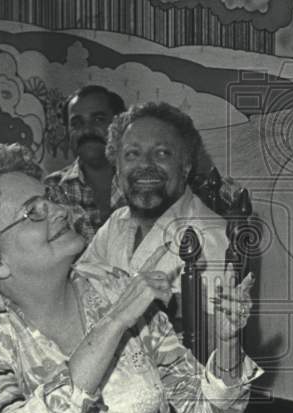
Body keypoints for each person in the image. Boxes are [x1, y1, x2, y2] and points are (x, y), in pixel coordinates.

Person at [0, 143, 259, 413]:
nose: (59, 210)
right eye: (33, 212)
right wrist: (113, 324)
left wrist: (228, 345)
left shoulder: (112, 288)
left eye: (50, 199)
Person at [78, 102, 230, 310]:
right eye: (132, 154)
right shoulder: (117, 222)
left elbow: (211, 336)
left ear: (185, 165)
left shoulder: (210, 238)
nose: (145, 165)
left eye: (161, 153)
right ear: (117, 167)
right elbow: (77, 289)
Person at [44, 85, 126, 240]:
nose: (87, 130)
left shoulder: (143, 182)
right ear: (67, 132)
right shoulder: (52, 190)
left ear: (120, 125)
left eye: (98, 120)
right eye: (77, 123)